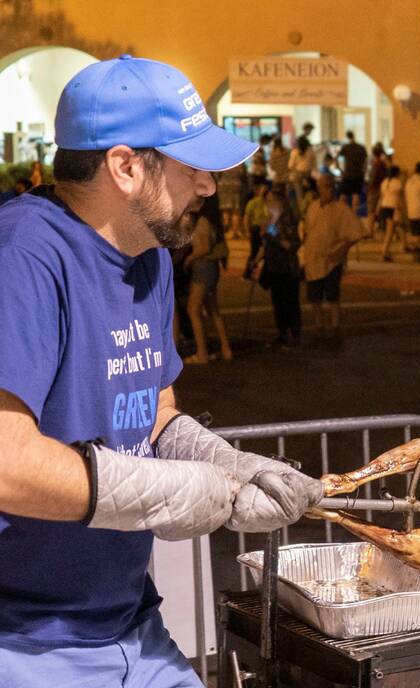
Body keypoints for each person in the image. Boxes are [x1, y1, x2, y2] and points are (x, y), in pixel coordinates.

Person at [0, 55, 321, 688]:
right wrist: (168, 492)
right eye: (189, 164)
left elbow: (154, 408)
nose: (206, 185)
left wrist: (223, 464)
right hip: (25, 640)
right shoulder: (24, 256)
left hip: (128, 623)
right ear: (125, 166)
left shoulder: (149, 253)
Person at [301, 173, 364, 344]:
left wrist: (342, 250)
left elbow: (356, 233)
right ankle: (318, 324)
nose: (329, 190)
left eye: (331, 186)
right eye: (325, 186)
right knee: (314, 297)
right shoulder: (313, 207)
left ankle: (335, 327)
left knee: (333, 296)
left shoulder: (341, 209)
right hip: (313, 259)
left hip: (331, 261)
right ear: (319, 188)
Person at [183, 194, 233, 364]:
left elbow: (204, 247)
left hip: (203, 267)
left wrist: (190, 258)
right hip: (211, 268)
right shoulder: (213, 220)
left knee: (193, 309)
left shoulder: (203, 221)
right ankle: (226, 349)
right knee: (213, 310)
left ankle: (202, 352)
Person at [260, 184, 303, 348]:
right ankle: (282, 332)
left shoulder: (287, 219)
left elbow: (292, 245)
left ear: (280, 202)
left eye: (271, 200)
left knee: (290, 301)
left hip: (288, 268)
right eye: (267, 201)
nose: (268, 204)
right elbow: (267, 243)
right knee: (277, 302)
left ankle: (294, 334)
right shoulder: (271, 220)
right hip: (274, 266)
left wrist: (271, 233)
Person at [241, 179, 270, 279]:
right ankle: (248, 273)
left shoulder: (267, 202)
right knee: (255, 252)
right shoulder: (253, 202)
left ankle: (256, 274)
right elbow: (247, 218)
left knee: (262, 252)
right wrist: (247, 230)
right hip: (257, 229)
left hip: (264, 229)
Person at [378, 166, 404, 262]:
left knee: (398, 227)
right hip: (392, 208)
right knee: (390, 232)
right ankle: (384, 252)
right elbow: (399, 197)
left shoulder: (384, 182)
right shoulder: (397, 182)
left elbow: (382, 196)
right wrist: (401, 209)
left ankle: (404, 245)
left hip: (384, 207)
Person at [215, 161, 247, 239]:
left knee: (225, 211)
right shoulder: (240, 161)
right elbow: (244, 176)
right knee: (236, 212)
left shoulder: (223, 161)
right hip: (236, 187)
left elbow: (217, 175)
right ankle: (234, 233)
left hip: (223, 186)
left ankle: (225, 231)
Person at [338, 130, 367, 210]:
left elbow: (337, 158)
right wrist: (363, 172)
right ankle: (354, 213)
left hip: (347, 174)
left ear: (348, 137)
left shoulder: (346, 147)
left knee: (343, 194)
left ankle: (342, 212)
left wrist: (340, 170)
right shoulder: (361, 148)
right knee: (356, 194)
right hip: (358, 175)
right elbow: (365, 162)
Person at [366, 143, 389, 234]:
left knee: (371, 211)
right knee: (379, 210)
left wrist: (369, 187)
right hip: (382, 188)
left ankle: (370, 231)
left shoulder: (376, 164)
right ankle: (381, 227)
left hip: (374, 189)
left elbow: (374, 178)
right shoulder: (383, 164)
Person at [288, 136, 317, 201]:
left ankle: (301, 209)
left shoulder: (294, 152)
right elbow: (314, 165)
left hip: (298, 175)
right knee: (310, 195)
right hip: (308, 175)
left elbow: (290, 166)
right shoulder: (311, 151)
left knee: (299, 196)